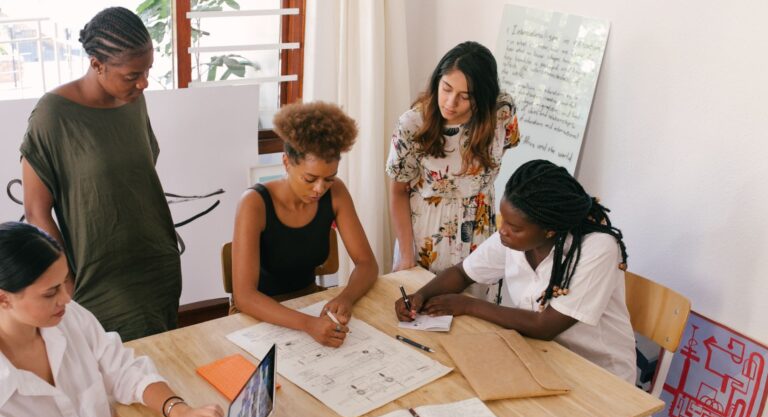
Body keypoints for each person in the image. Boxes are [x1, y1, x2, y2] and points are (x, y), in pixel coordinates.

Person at [0, 222, 225, 417]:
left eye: (65, 282)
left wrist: (178, 410)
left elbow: (122, 368)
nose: (66, 298)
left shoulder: (67, 316)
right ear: (3, 298)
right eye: (50, 292)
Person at [395, 160, 636, 386]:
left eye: (514, 227)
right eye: (504, 221)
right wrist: (420, 296)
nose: (503, 231)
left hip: (599, 376)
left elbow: (545, 326)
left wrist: (467, 305)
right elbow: (462, 273)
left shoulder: (597, 248)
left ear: (549, 230)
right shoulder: (513, 238)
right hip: (542, 356)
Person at [21, 7, 181, 342]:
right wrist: (65, 281)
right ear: (97, 65)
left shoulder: (133, 99)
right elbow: (36, 211)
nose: (143, 82)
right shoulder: (53, 115)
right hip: (100, 277)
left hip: (157, 263)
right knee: (116, 363)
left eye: (148, 70)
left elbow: (137, 176)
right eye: (132, 75)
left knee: (162, 358)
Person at [232, 101, 378, 348]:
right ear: (286, 163)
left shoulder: (336, 193)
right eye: (310, 179)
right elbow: (244, 296)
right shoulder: (254, 203)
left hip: (309, 304)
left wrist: (346, 298)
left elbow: (367, 264)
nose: (320, 189)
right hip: (259, 315)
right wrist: (308, 324)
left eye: (329, 178)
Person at [387, 41, 520, 277]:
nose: (450, 102)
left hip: (480, 235)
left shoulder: (502, 112)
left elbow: (498, 154)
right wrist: (407, 256)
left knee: (474, 300)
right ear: (438, 80)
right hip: (427, 239)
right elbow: (398, 191)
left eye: (465, 96)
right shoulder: (412, 124)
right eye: (446, 88)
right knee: (423, 299)